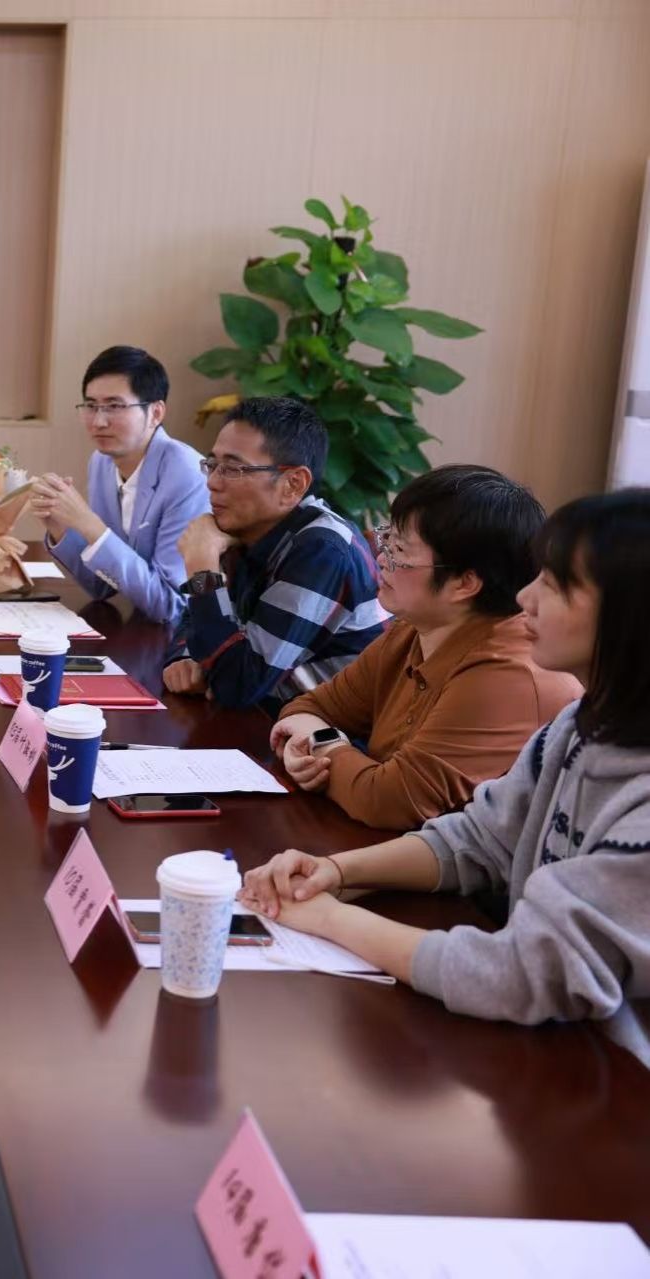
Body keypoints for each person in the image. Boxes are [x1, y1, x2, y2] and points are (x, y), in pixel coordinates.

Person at [241, 490, 650, 1031]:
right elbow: (479, 839)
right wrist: (336, 872)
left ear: (629, 614)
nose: (525, 598)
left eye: (554, 585)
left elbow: (520, 974)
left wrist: (331, 919)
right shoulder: (579, 727)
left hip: (608, 1066)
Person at [269, 466, 580, 830]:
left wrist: (319, 749)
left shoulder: (508, 676)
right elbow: (309, 708)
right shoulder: (414, 631)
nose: (381, 557)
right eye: (387, 540)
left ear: (464, 583)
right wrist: (317, 743)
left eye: (399, 549)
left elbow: (388, 802)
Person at [163, 397, 385, 714]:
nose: (211, 482)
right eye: (212, 465)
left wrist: (201, 569)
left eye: (233, 469)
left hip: (330, 735)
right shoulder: (243, 529)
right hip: (271, 721)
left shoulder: (323, 550)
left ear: (293, 484)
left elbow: (238, 684)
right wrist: (184, 658)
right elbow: (195, 620)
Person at [30, 346, 209, 624]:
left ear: (155, 413)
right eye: (91, 406)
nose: (99, 421)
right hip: (138, 627)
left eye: (115, 406)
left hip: (187, 639)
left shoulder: (187, 473)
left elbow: (172, 604)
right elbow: (102, 586)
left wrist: (88, 523)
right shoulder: (101, 462)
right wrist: (60, 527)